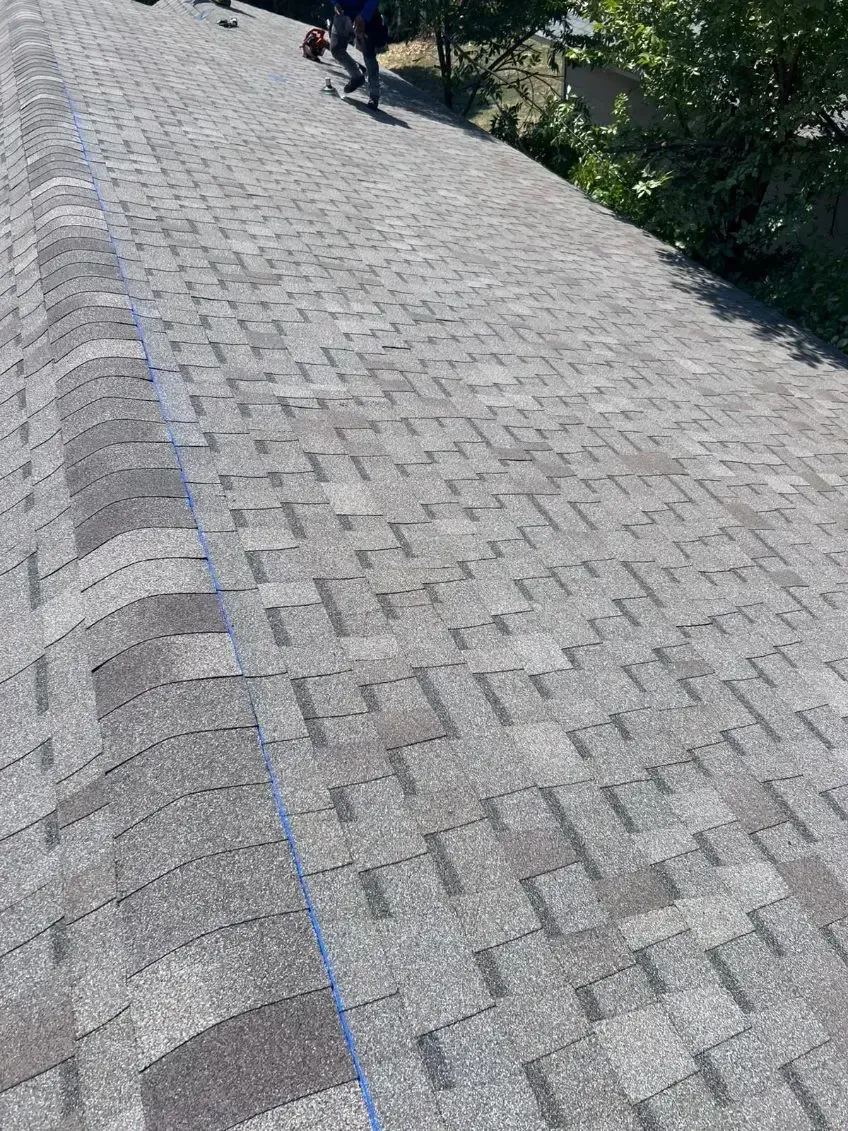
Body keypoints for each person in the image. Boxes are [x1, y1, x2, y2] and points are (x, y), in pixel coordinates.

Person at [329, 0, 387, 110]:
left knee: (369, 55)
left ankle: (374, 94)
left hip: (367, 15)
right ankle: (356, 76)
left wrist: (363, 16)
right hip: (343, 13)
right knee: (336, 49)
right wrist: (335, 3)